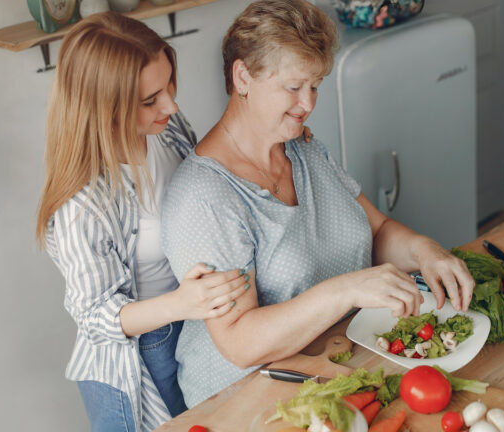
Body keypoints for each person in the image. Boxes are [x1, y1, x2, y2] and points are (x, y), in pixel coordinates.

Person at [160, 0, 476, 408]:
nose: (308, 104)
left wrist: (425, 251)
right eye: (293, 87)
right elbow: (239, 342)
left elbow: (377, 229)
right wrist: (347, 290)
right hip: (246, 401)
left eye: (315, 86)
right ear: (243, 76)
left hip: (337, 366)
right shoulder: (204, 197)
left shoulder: (304, 149)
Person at [34, 13, 252, 432]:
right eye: (150, 100)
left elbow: (209, 177)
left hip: (195, 324)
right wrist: (184, 303)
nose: (170, 104)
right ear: (104, 109)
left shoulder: (166, 131)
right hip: (143, 355)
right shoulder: (83, 203)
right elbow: (95, 317)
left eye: (169, 84)